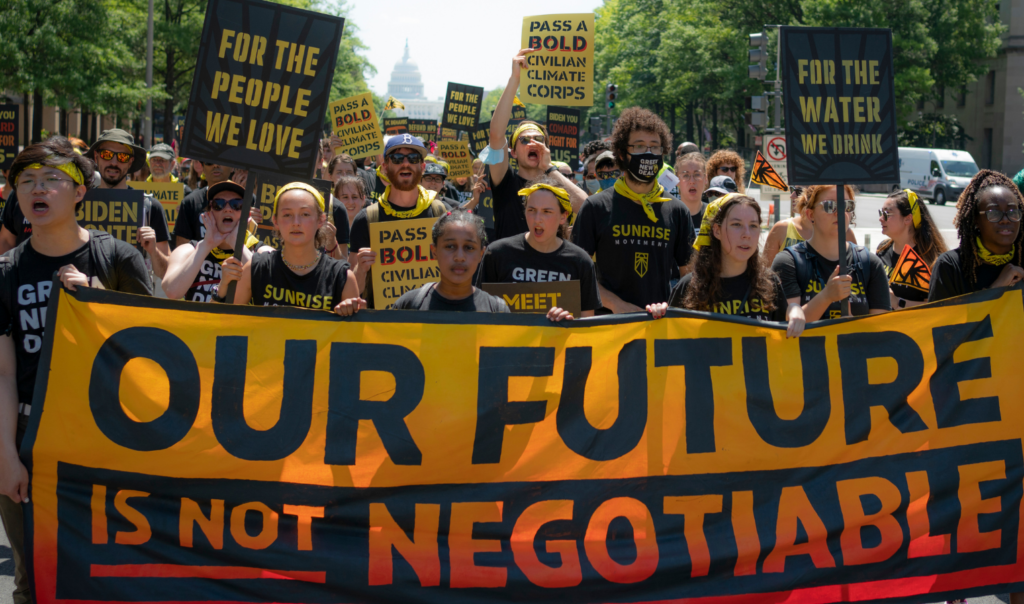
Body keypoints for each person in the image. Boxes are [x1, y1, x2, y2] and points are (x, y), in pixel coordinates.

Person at [0, 137, 152, 604]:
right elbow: (3, 374)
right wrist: (6, 454)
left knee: (105, 575)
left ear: (80, 192)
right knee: (34, 580)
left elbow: (154, 350)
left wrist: (97, 300)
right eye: (25, 181)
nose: (36, 189)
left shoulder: (118, 258)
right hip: (30, 435)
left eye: (50, 180)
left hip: (104, 434)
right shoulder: (7, 271)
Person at [571, 107, 694, 313]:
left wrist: (669, 308)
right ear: (621, 153)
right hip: (608, 328)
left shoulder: (677, 211)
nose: (648, 153)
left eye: (655, 147)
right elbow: (578, 274)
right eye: (639, 147)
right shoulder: (596, 208)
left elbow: (689, 278)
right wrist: (619, 306)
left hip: (658, 328)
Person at [483, 48, 587, 241]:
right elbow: (496, 135)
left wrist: (548, 168)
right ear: (513, 152)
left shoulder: (556, 185)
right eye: (524, 139)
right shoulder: (506, 182)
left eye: (538, 140)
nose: (532, 142)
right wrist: (515, 78)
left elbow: (586, 209)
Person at [669, 193, 805, 337]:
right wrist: (657, 314)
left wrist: (795, 309)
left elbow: (782, 343)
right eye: (736, 225)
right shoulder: (689, 287)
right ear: (716, 231)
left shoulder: (770, 283)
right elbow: (669, 343)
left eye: (753, 225)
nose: (747, 234)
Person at [218, 183, 361, 313]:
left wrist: (352, 314)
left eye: (305, 214)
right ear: (275, 221)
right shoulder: (256, 268)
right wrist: (222, 288)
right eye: (287, 215)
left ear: (321, 220)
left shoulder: (343, 277)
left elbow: (355, 337)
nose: (296, 223)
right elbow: (224, 324)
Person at [347, 135, 449, 307]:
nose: (405, 163)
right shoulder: (367, 219)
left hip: (431, 324)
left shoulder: (440, 214)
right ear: (385, 167)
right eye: (397, 158)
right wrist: (361, 269)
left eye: (413, 158)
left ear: (422, 167)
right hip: (383, 325)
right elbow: (351, 293)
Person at [480, 178, 601, 317]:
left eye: (547, 211)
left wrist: (568, 322)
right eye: (531, 210)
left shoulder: (581, 262)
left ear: (563, 217)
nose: (537, 219)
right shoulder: (497, 253)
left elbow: (587, 325)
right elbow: (480, 312)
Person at [772, 185, 890, 320]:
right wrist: (826, 296)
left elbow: (881, 331)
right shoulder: (788, 262)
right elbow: (787, 325)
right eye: (830, 206)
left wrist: (853, 326)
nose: (840, 212)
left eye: (847, 205)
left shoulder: (870, 263)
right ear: (810, 214)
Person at [369, 209, 509, 313]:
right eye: (450, 246)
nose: (459, 256)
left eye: (469, 247)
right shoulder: (409, 304)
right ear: (434, 251)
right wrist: (356, 315)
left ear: (481, 254)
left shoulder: (497, 310)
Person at [161, 180, 267, 302]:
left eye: (237, 205)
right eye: (219, 204)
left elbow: (268, 290)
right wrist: (206, 245)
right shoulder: (189, 250)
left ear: (247, 215)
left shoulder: (261, 252)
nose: (227, 209)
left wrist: (237, 245)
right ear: (209, 214)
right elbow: (172, 291)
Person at [86, 129, 172, 278]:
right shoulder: (79, 203)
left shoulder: (149, 207)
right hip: (87, 297)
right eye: (106, 155)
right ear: (96, 156)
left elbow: (166, 274)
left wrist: (153, 251)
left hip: (132, 298)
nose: (114, 162)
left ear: (131, 161)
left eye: (122, 157)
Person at [929, 170, 1024, 302]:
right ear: (976, 221)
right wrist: (996, 288)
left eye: (1013, 211)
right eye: (994, 213)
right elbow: (943, 321)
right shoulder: (951, 266)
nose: (1005, 220)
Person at [876, 189, 948, 308]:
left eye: (887, 214)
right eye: (880, 213)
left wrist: (897, 302)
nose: (880, 218)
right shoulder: (882, 249)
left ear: (908, 219)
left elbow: (937, 308)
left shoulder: (932, 259)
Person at [764, 186, 858, 265]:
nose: (792, 196)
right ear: (811, 214)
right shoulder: (781, 229)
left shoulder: (845, 233)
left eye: (799, 191)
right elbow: (767, 275)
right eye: (793, 190)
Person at [173, 161, 250, 247]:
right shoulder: (190, 202)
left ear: (232, 167)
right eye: (209, 162)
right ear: (203, 168)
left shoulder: (249, 200)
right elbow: (182, 250)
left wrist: (254, 224)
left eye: (236, 204)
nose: (216, 165)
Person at [675, 152, 709, 239]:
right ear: (677, 180)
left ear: (705, 179)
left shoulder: (713, 215)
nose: (692, 181)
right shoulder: (669, 215)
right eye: (685, 175)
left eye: (697, 174)